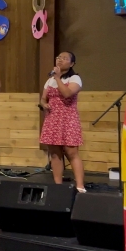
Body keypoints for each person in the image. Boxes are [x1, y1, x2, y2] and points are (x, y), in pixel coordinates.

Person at [40, 52, 86, 193]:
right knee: (54, 154)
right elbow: (43, 98)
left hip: (68, 119)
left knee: (71, 153)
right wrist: (44, 104)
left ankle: (80, 186)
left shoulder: (75, 78)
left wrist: (58, 77)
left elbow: (67, 93)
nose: (60, 60)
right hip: (52, 119)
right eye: (59, 57)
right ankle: (57, 186)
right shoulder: (49, 80)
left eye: (64, 58)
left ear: (71, 64)